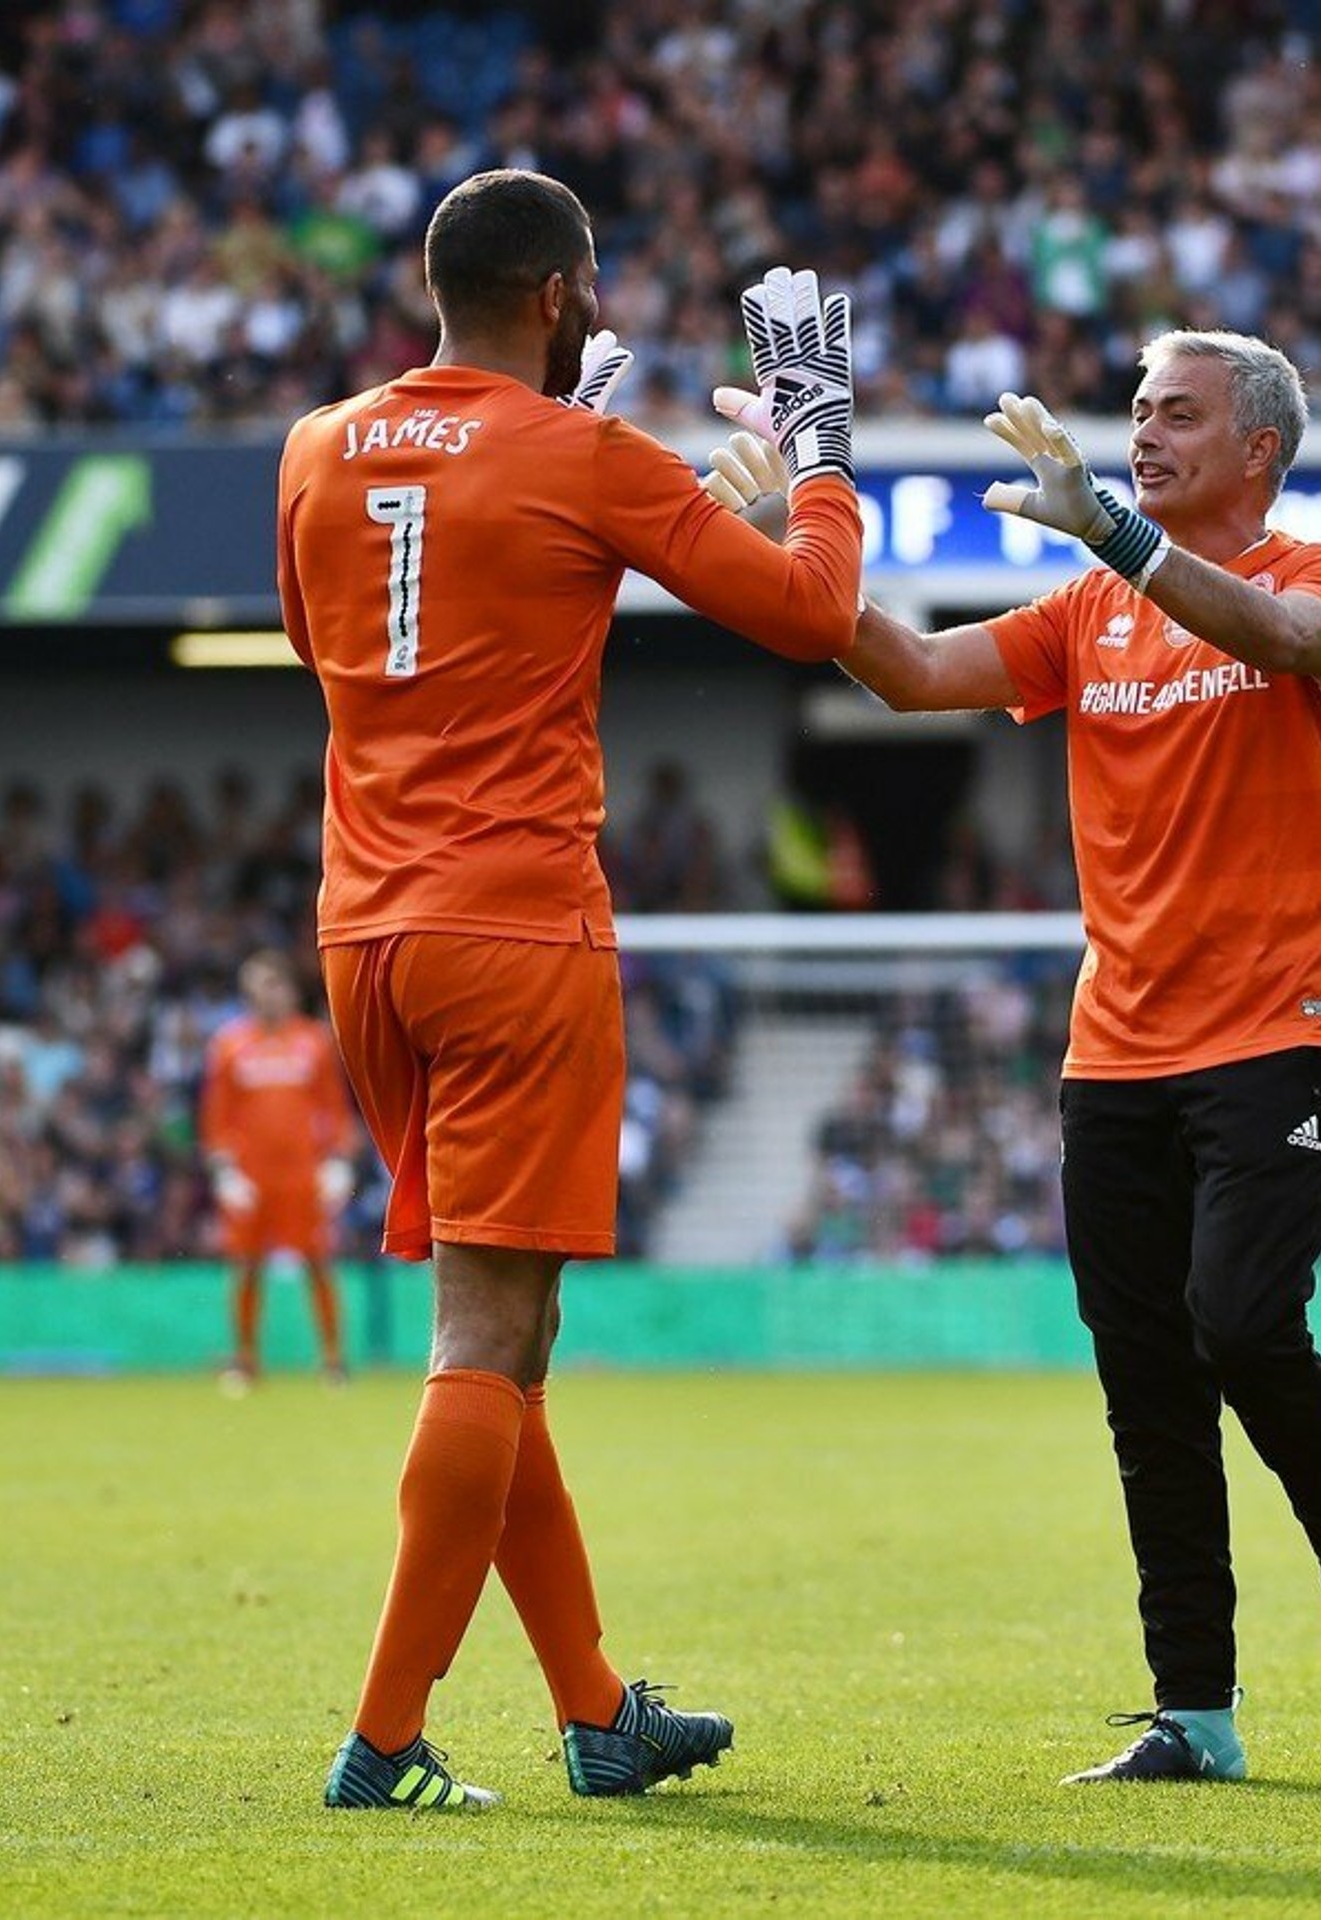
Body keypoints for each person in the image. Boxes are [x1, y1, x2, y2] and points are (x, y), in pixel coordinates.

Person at [726, 333, 1321, 1783]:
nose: (1143, 431)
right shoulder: (1087, 611)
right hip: (1116, 1049)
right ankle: (1196, 1715)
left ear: (1259, 451)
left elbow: (1280, 640)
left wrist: (1114, 529)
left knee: (1242, 1325)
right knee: (1146, 1381)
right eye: (1139, 411)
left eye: (1179, 415)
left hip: (1277, 1031)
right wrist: (798, 543)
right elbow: (910, 672)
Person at [278, 168, 861, 1811]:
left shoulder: (316, 445)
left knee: (513, 1333)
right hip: (516, 932)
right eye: (591, 284)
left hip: (365, 934)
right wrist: (818, 444)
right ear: (558, 298)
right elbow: (813, 608)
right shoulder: (580, 456)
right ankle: (384, 1739)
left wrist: (540, 500)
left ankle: (598, 1711)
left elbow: (338, 653)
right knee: (487, 1333)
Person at [201, 948, 356, 1390]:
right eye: (255, 989)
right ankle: (245, 1360)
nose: (265, 997)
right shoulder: (229, 1045)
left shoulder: (314, 1041)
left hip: (303, 1174)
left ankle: (333, 1361)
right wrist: (223, 1170)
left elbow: (334, 1106)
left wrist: (338, 1160)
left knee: (318, 1262)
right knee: (246, 1265)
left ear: (288, 990)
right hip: (251, 1176)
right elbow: (216, 1114)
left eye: (271, 986)